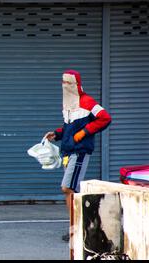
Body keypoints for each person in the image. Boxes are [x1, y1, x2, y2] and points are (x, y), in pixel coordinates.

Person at [44, 70, 111, 241]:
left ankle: (79, 229)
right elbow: (68, 128)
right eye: (63, 82)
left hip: (79, 151)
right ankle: (81, 227)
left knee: (68, 187)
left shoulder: (87, 102)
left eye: (68, 82)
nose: (65, 85)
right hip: (68, 151)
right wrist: (57, 134)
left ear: (76, 84)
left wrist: (84, 132)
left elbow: (104, 118)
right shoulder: (68, 104)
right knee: (72, 191)